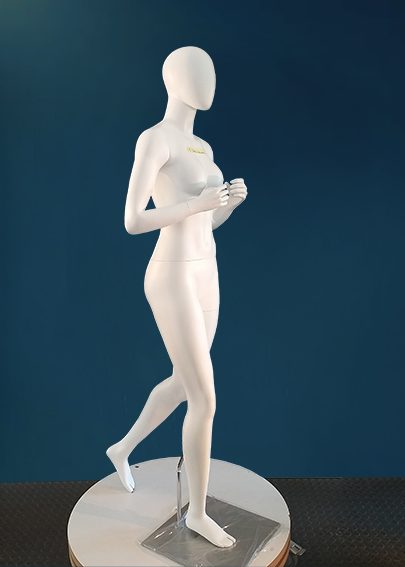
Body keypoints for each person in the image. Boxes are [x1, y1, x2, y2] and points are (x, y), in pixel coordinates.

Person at [106, 45, 248, 548]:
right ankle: (197, 515)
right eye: (197, 71)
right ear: (173, 79)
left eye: (211, 71)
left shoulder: (202, 148)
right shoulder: (155, 139)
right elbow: (133, 220)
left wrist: (226, 204)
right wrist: (196, 203)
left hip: (207, 270)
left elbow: (206, 222)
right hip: (171, 275)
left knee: (185, 384)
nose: (208, 81)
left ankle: (121, 448)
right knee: (205, 398)